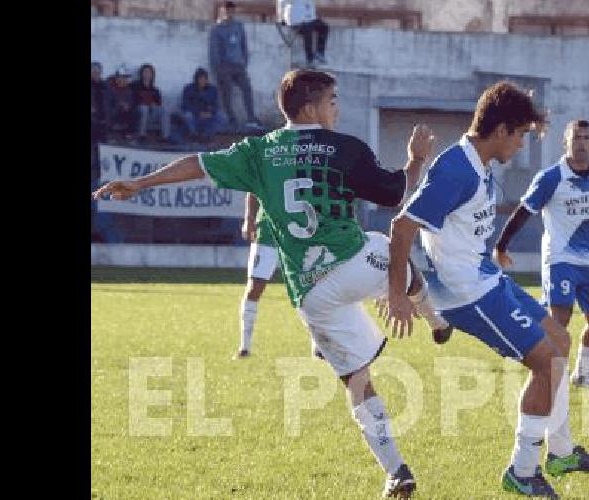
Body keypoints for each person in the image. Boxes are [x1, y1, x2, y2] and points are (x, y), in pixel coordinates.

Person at [93, 69, 450, 498]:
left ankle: (396, 471)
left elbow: (198, 164)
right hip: (353, 262)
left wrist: (139, 183)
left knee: (358, 382)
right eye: (332, 100)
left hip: (312, 294)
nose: (338, 107)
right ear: (310, 107)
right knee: (392, 247)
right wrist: (415, 158)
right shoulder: (345, 147)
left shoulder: (259, 151)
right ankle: (435, 319)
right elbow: (397, 193)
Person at [384, 82, 589, 499]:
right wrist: (398, 293)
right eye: (522, 134)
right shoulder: (456, 168)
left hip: (488, 279)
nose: (523, 144)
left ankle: (559, 452)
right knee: (547, 364)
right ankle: (522, 471)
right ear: (502, 129)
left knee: (561, 340)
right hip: (467, 294)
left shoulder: (478, 163)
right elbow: (402, 226)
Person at [493, 119, 589, 390]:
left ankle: (583, 373)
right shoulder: (551, 178)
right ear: (565, 143)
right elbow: (523, 212)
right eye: (576, 138)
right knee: (559, 320)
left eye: (587, 138)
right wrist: (502, 245)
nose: (582, 143)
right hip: (560, 259)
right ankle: (551, 376)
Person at [231, 192, 278, 360]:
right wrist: (249, 219)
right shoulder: (266, 164)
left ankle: (318, 347)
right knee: (254, 288)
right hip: (267, 231)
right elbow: (253, 189)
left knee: (310, 288)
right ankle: (244, 347)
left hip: (300, 232)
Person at [210, 1, 263, 130]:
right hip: (224, 65)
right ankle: (231, 119)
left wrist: (244, 61)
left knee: (247, 89)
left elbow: (243, 45)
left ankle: (251, 117)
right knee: (227, 93)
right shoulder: (217, 29)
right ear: (222, 11)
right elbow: (214, 50)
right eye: (227, 10)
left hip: (238, 64)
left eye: (231, 10)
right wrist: (217, 67)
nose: (229, 13)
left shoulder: (239, 26)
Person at [179, 67, 226, 143]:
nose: (202, 81)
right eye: (200, 79)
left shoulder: (212, 90)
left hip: (208, 115)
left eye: (204, 79)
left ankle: (207, 135)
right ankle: (194, 135)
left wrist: (210, 112)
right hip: (194, 115)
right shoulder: (188, 89)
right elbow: (185, 105)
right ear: (196, 79)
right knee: (187, 115)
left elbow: (216, 105)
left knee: (222, 117)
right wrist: (198, 113)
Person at [277, 0, 329, 67]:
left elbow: (310, 6)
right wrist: (281, 19)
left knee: (324, 27)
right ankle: (310, 58)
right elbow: (282, 2)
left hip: (310, 19)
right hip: (296, 21)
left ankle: (320, 53)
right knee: (308, 30)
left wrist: (312, 17)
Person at [131, 63, 172, 143]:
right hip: (139, 113)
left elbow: (159, 104)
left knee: (164, 109)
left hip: (151, 114)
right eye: (145, 72)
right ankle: (141, 135)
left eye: (149, 72)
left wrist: (154, 105)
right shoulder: (134, 86)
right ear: (141, 73)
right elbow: (132, 101)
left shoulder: (155, 90)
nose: (147, 74)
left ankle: (165, 137)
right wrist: (144, 103)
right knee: (144, 108)